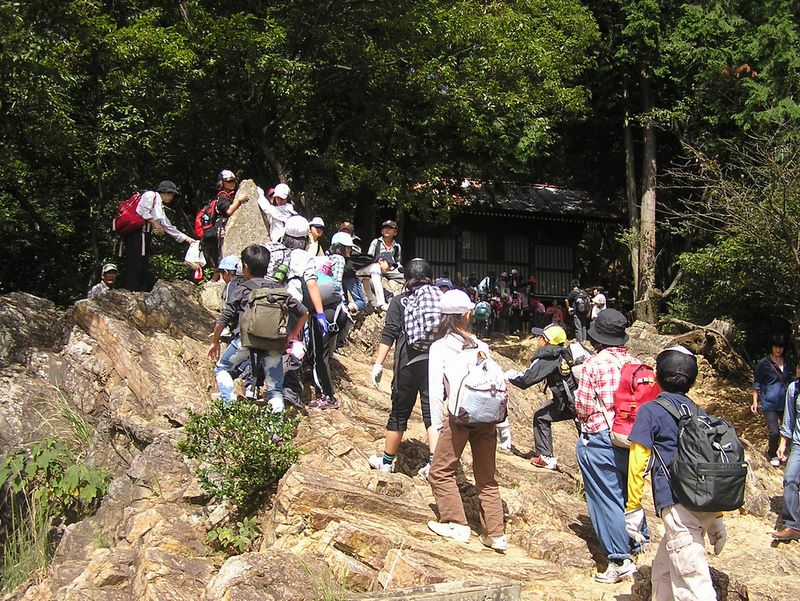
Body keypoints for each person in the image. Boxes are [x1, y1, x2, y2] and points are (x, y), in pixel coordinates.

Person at [625, 345, 728, 599]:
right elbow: (711, 462)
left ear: (656, 377)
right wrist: (717, 516)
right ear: (692, 382)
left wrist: (633, 507)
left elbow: (638, 461)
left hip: (676, 503)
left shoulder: (650, 410)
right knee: (664, 571)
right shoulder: (698, 412)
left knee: (692, 582)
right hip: (704, 501)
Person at [426, 289, 507, 552]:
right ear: (467, 315)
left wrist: (438, 425)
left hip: (458, 417)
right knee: (486, 477)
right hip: (487, 417)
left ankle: (455, 523)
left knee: (440, 471)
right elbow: (495, 385)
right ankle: (495, 533)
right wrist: (503, 427)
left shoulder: (439, 347)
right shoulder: (481, 346)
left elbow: (435, 391)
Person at [574, 309, 648, 583]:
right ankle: (638, 543)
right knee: (630, 494)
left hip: (601, 438)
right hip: (634, 439)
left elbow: (583, 407)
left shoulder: (593, 364)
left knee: (606, 498)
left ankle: (619, 559)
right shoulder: (637, 364)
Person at [207, 245, 307, 411]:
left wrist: (215, 342)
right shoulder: (279, 290)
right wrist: (293, 335)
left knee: (222, 368)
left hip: (246, 342)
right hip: (274, 344)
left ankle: (229, 405)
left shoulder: (241, 289)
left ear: (245, 267)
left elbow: (224, 318)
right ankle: (276, 425)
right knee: (275, 389)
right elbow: (304, 313)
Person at [369, 258, 440, 477]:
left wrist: (378, 364)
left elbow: (389, 332)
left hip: (407, 362)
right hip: (433, 363)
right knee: (432, 413)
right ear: (430, 278)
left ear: (406, 279)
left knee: (399, 413)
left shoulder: (399, 301)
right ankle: (434, 465)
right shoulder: (438, 299)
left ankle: (387, 463)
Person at [282, 215, 339, 409]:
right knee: (294, 345)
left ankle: (262, 385)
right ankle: (291, 389)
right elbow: (312, 284)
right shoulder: (305, 257)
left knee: (279, 346)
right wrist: (320, 314)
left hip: (273, 304)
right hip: (297, 307)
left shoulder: (275, 251)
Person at [507, 324, 577, 470]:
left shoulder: (549, 357)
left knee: (541, 417)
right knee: (542, 416)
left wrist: (509, 375)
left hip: (568, 404)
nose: (538, 339)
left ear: (546, 341)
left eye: (541, 337)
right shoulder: (566, 353)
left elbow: (526, 380)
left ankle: (546, 458)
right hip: (579, 401)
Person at [123, 180, 196, 291]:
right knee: (136, 262)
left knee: (142, 262)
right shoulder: (150, 195)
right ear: (166, 192)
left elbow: (167, 225)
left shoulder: (158, 205)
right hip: (137, 233)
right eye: (172, 195)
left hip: (145, 234)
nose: (171, 198)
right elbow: (141, 210)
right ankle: (131, 289)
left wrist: (187, 239)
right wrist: (154, 223)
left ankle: (138, 290)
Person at [752, 335, 794, 466]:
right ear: (771, 347)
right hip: (769, 403)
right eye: (776, 347)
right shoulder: (763, 363)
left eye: (780, 347)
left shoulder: (788, 362)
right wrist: (755, 401)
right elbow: (757, 383)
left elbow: (791, 381)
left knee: (789, 428)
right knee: (774, 431)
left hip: (785, 402)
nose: (778, 350)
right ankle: (772, 454)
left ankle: (788, 453)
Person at [774, 364, 800, 541]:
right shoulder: (794, 389)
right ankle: (793, 525)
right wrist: (783, 443)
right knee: (790, 479)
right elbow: (789, 419)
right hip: (798, 445)